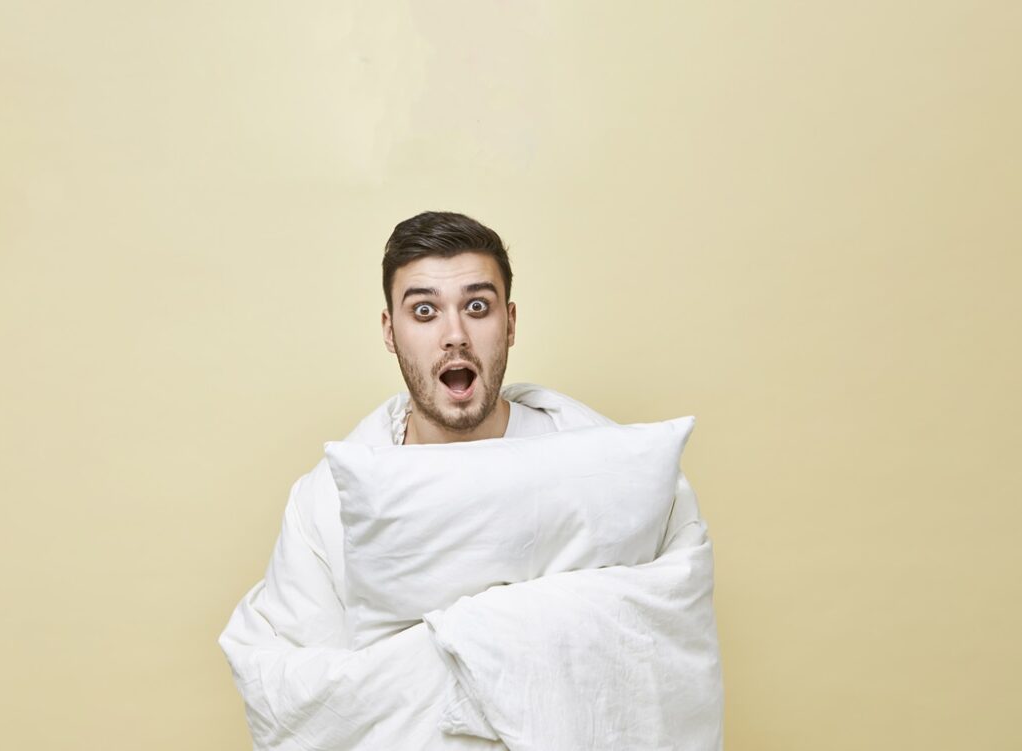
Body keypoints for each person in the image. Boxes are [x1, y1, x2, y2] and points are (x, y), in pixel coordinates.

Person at [219, 212, 723, 750]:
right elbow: (300, 703)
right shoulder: (324, 505)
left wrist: (444, 645)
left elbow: (662, 654)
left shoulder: (612, 472)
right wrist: (527, 638)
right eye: (425, 311)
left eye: (477, 307)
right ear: (390, 331)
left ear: (510, 322)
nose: (454, 335)